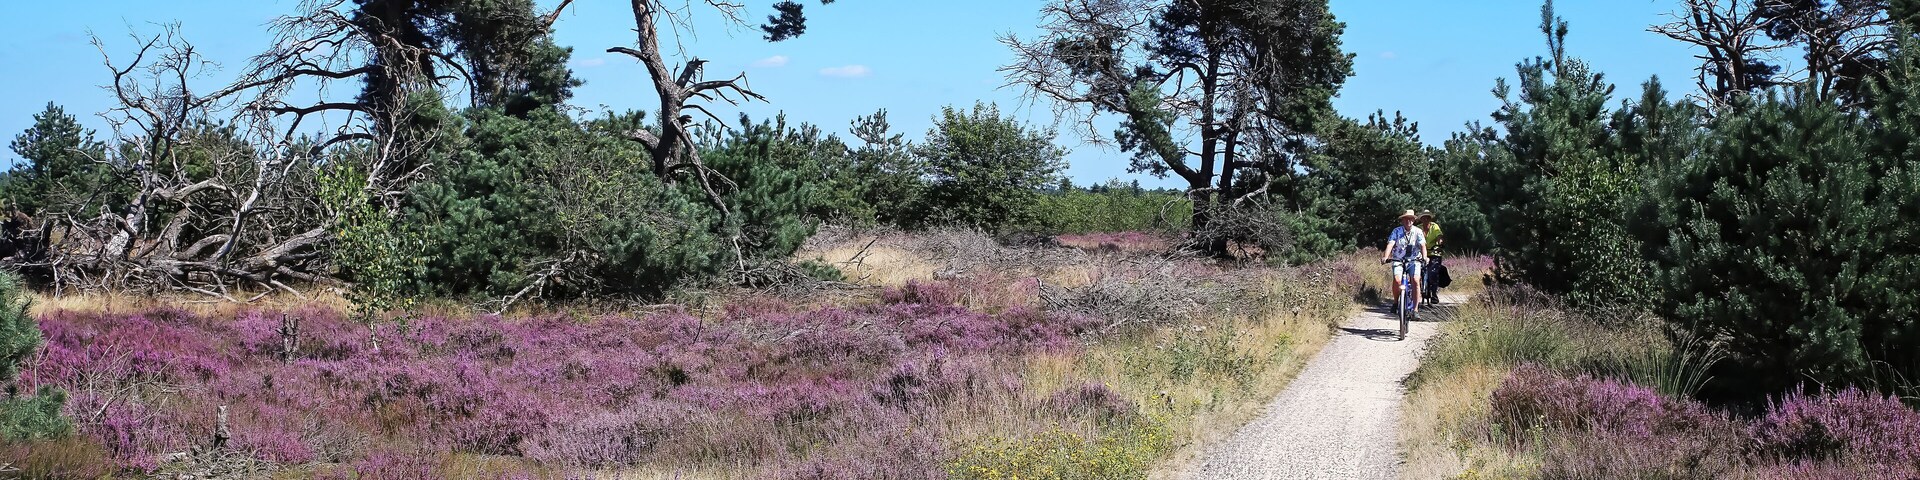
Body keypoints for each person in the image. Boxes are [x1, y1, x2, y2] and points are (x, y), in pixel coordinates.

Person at [1380, 209, 1428, 318]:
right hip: (1398, 259)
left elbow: (1423, 246)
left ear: (1413, 220)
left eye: (1410, 219)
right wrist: (1386, 257)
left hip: (1414, 260)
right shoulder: (1396, 231)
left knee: (1415, 280)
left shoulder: (1418, 231)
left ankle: (1415, 310)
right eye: (1406, 219)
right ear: (1402, 220)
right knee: (1397, 280)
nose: (1408, 221)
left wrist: (1425, 257)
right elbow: (1390, 244)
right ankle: (1396, 302)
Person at [1418, 210, 1444, 304]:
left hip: (1434, 253)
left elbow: (1439, 235)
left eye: (1427, 217)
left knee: (1432, 273)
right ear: (1421, 219)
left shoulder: (1434, 226)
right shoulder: (1418, 228)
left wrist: (1440, 243)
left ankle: (1433, 294)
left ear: (1430, 218)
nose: (1425, 219)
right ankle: (1419, 291)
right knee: (1418, 272)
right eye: (1423, 217)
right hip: (1421, 253)